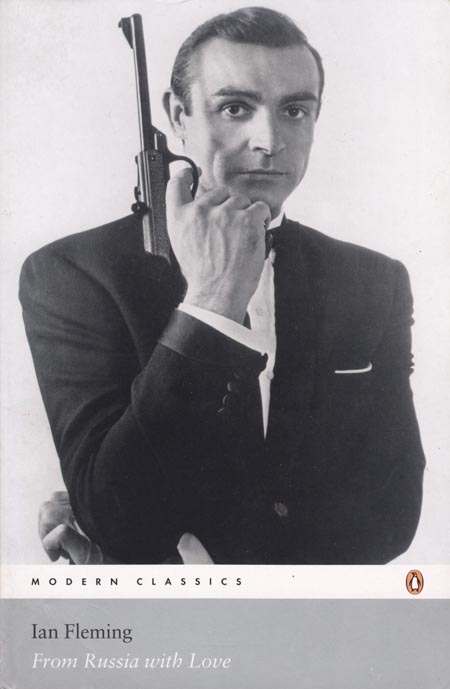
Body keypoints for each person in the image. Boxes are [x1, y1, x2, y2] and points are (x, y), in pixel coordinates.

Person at [20, 6, 425, 565]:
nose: (270, 140)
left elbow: (393, 517)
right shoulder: (72, 274)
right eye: (235, 108)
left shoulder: (375, 281)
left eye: (295, 110)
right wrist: (211, 304)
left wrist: (224, 571)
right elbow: (119, 521)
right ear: (178, 115)